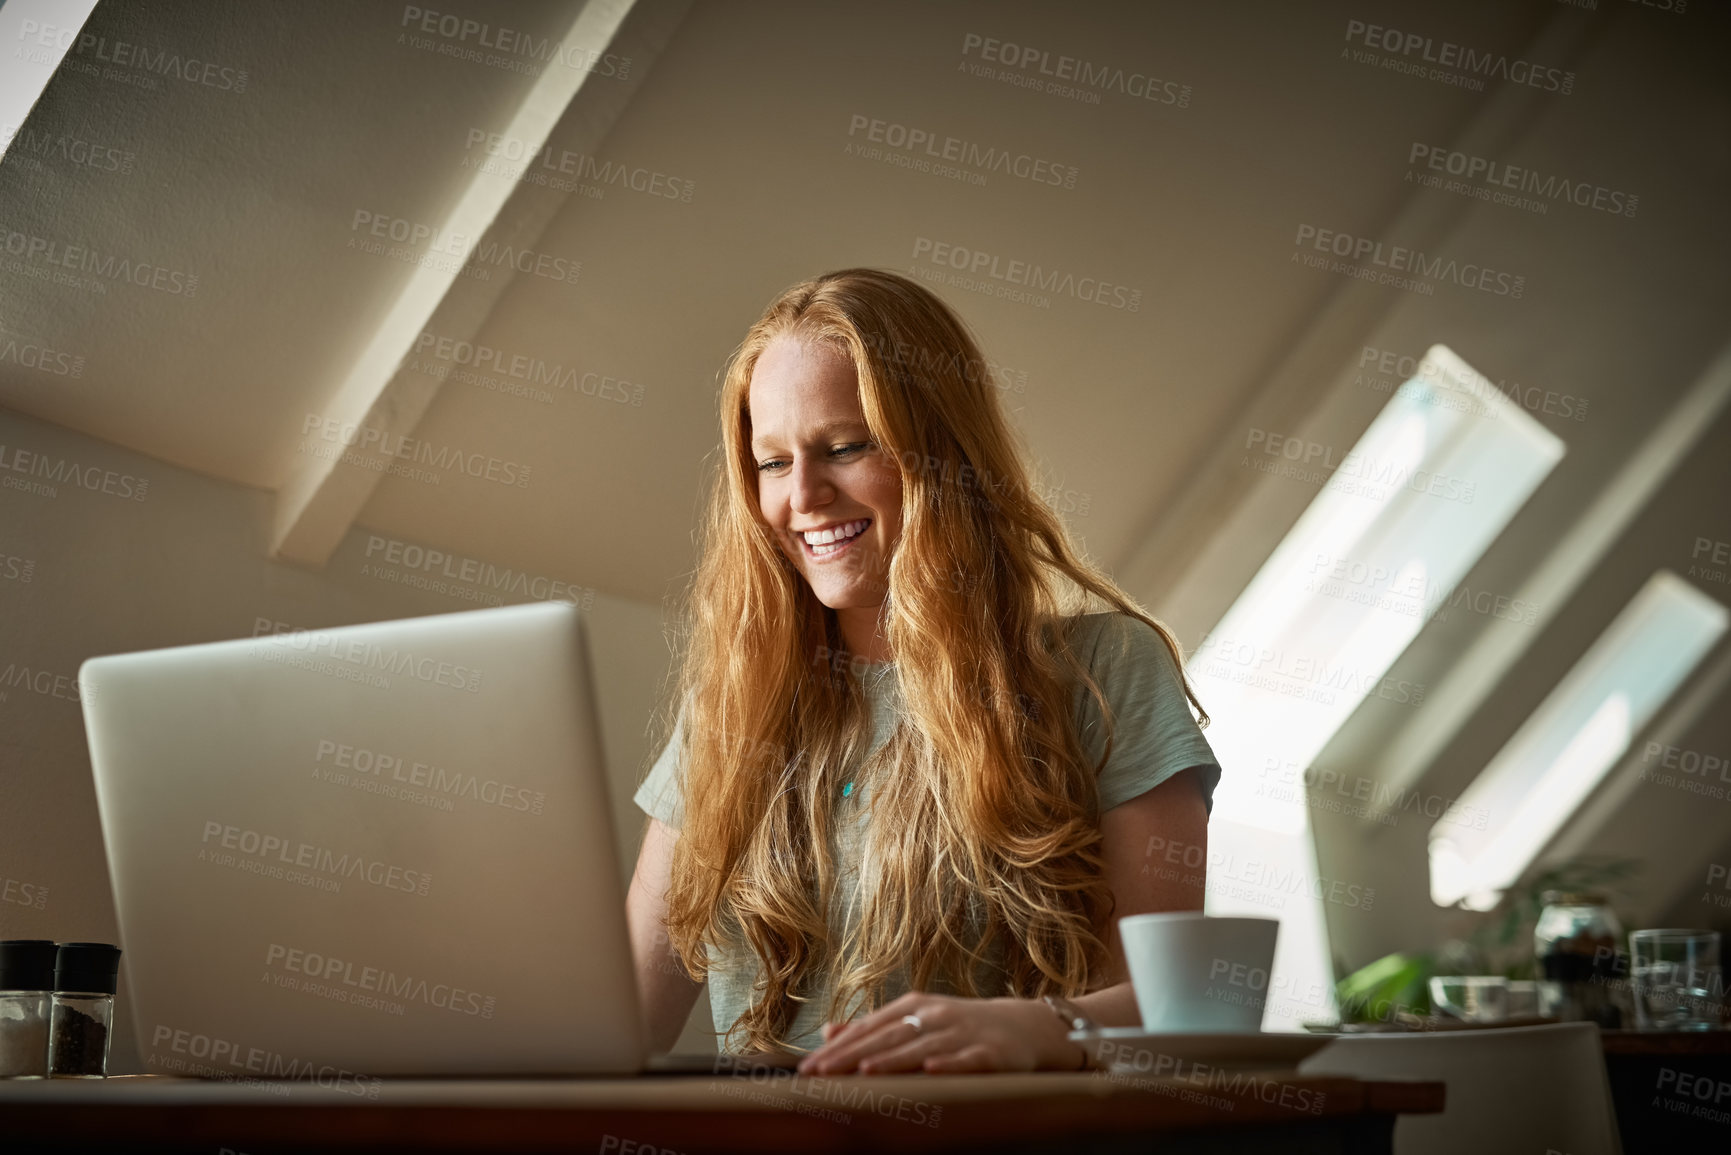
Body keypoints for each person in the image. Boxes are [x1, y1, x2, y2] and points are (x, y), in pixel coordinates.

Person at [626, 268, 1220, 1074]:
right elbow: (626, 1017)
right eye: (771, 462)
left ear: (943, 452)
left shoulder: (1104, 672)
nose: (803, 494)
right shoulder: (732, 705)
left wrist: (1039, 1029)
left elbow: (1176, 1001)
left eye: (844, 446)